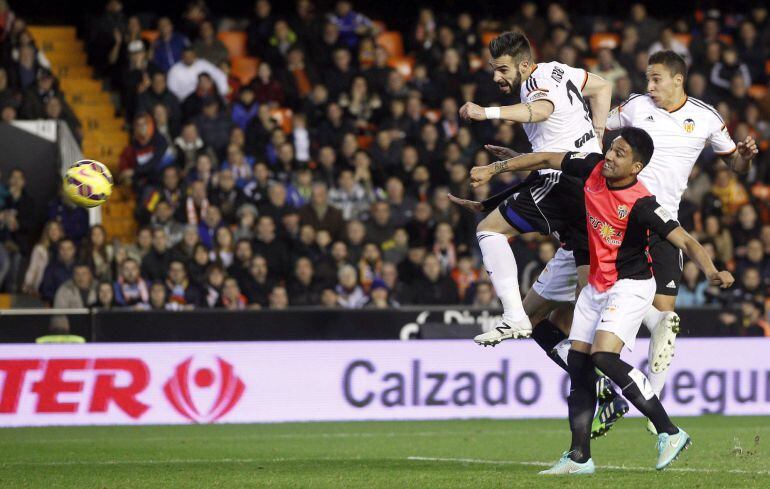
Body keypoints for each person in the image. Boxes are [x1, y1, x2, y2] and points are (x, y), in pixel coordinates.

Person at [471, 127, 733, 474]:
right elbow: (549, 158)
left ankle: (670, 431)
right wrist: (497, 169)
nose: (609, 155)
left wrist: (713, 270)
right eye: (611, 148)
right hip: (596, 286)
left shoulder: (642, 204)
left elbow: (685, 240)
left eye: (619, 153)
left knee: (604, 357)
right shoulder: (592, 166)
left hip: (631, 285)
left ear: (636, 166)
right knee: (580, 369)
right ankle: (579, 457)